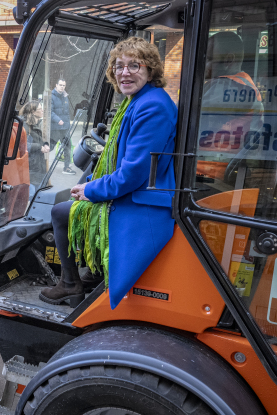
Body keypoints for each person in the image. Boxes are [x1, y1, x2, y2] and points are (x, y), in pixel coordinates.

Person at [39, 37, 178, 310]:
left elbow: (132, 173)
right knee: (74, 199)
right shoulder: (139, 100)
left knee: (59, 211)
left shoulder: (152, 106)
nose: (124, 72)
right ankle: (94, 272)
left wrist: (91, 190)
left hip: (141, 204)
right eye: (118, 66)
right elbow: (119, 161)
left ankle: (70, 283)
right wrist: (92, 183)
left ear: (150, 70)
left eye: (134, 66)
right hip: (136, 194)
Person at [197, 31, 264, 179]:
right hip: (226, 165)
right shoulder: (245, 82)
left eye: (209, 58)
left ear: (228, 60)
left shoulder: (225, 85)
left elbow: (185, 114)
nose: (204, 64)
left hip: (210, 169)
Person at [19, 100, 50, 186]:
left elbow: (38, 139)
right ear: (33, 112)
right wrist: (40, 147)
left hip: (37, 165)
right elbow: (22, 146)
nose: (42, 110)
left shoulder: (33, 124)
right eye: (40, 109)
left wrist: (45, 144)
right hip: (31, 167)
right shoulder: (25, 126)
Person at [50, 79, 75, 175]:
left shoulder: (65, 96)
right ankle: (37, 164)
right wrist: (58, 120)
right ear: (56, 85)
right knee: (50, 146)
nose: (62, 87)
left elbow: (67, 113)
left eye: (64, 85)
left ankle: (66, 167)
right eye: (60, 85)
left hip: (65, 128)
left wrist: (68, 125)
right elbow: (50, 112)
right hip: (55, 128)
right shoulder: (52, 96)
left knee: (67, 147)